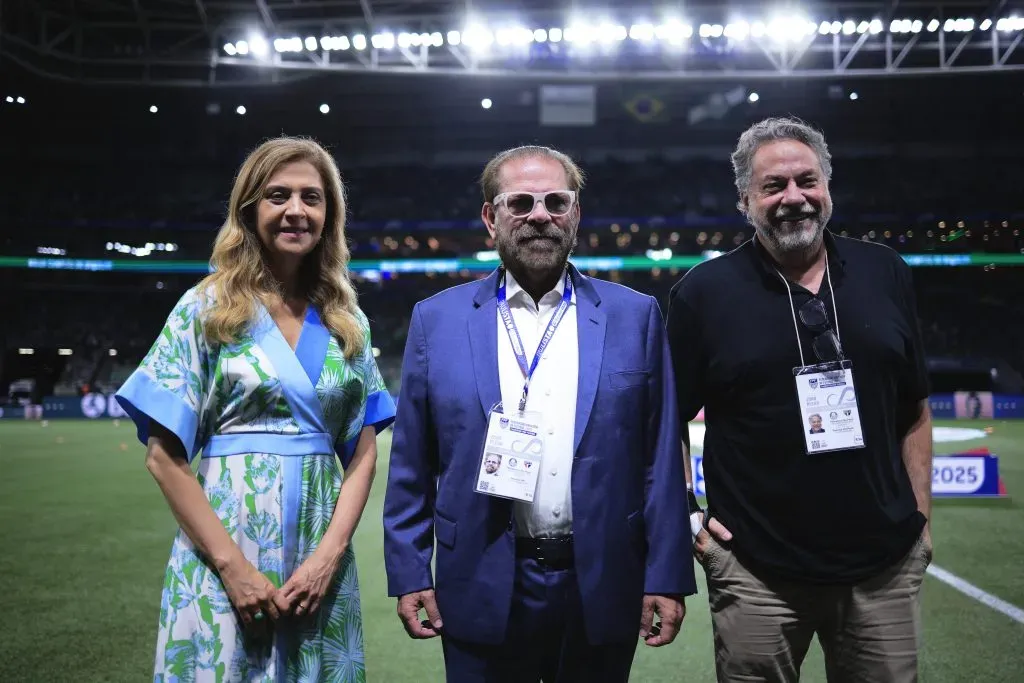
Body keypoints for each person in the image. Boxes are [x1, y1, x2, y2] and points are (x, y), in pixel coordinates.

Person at [383, 145, 696, 682]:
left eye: (556, 201)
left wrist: (666, 575)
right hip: (479, 575)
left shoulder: (634, 315)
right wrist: (411, 572)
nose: (539, 216)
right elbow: (412, 461)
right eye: (521, 202)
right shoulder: (435, 320)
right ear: (491, 217)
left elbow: (660, 458)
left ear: (575, 214)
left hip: (600, 579)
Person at [115, 136, 396, 681]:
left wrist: (327, 559)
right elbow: (163, 458)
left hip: (320, 570)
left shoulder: (347, 320)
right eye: (278, 195)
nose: (296, 210)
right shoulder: (206, 308)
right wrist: (233, 568)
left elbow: (362, 453)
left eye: (312, 198)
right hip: (222, 562)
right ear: (250, 209)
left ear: (329, 215)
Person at [666, 116, 934, 683]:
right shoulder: (703, 295)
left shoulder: (884, 272)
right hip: (756, 571)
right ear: (745, 200)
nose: (795, 198)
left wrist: (921, 523)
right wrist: (689, 519)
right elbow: (662, 423)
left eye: (807, 181)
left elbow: (914, 405)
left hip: (884, 567)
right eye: (774, 186)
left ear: (828, 186)